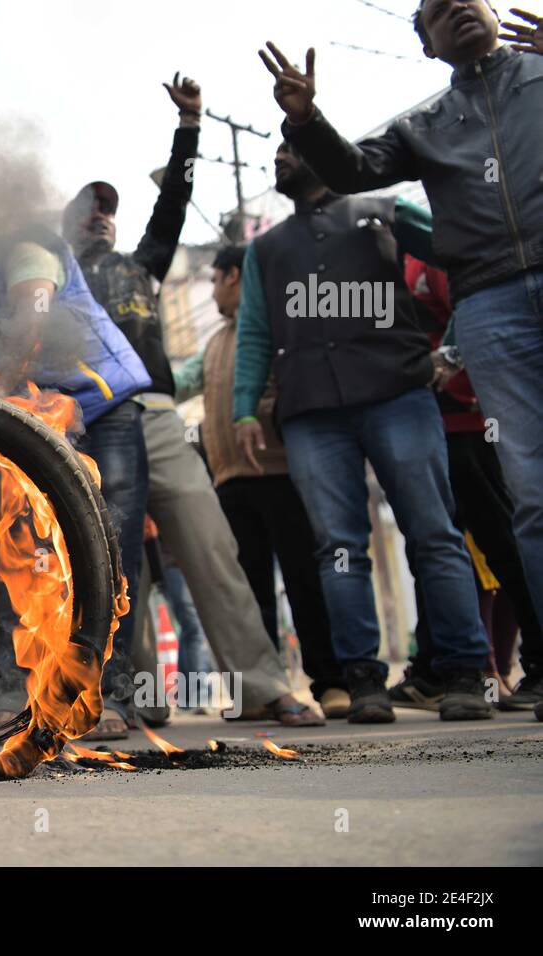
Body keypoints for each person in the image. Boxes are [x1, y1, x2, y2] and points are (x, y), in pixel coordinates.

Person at [258, 2, 543, 642]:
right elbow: (353, 169)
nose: (459, 10)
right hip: (492, 306)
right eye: (439, 11)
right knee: (532, 495)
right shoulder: (427, 125)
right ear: (428, 47)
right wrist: (305, 119)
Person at [62, 75, 322, 733]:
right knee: (117, 571)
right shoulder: (52, 280)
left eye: (107, 207)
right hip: (85, 428)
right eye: (88, 206)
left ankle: (261, 686)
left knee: (210, 547)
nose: (100, 213)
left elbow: (174, 201)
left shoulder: (138, 265)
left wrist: (190, 127)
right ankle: (137, 695)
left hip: (154, 420)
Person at [232, 140, 493, 723]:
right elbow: (253, 332)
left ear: (326, 154)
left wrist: (452, 351)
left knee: (433, 533)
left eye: (291, 149)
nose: (279, 160)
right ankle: (364, 680)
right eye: (273, 153)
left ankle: (464, 672)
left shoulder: (387, 213)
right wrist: (245, 409)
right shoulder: (266, 250)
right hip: (311, 414)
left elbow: (470, 258)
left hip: (400, 396)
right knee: (340, 549)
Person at [0, 186, 155, 738]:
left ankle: (107, 696)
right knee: (20, 547)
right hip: (32, 429)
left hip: (102, 411)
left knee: (110, 552)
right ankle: (15, 689)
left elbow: (34, 309)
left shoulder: (23, 247)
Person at [173, 244, 348, 717]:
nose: (210, 290)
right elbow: (179, 382)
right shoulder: (214, 344)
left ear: (234, 276)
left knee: (302, 579)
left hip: (278, 473)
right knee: (248, 591)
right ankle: (262, 691)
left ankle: (330, 682)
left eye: (214, 280)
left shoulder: (273, 328)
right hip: (230, 482)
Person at [387, 256, 543, 712]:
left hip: (466, 422)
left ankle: (534, 660)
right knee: (434, 545)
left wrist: (452, 365)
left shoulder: (428, 251)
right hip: (431, 420)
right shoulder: (396, 259)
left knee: (500, 540)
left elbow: (476, 310)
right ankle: (436, 667)